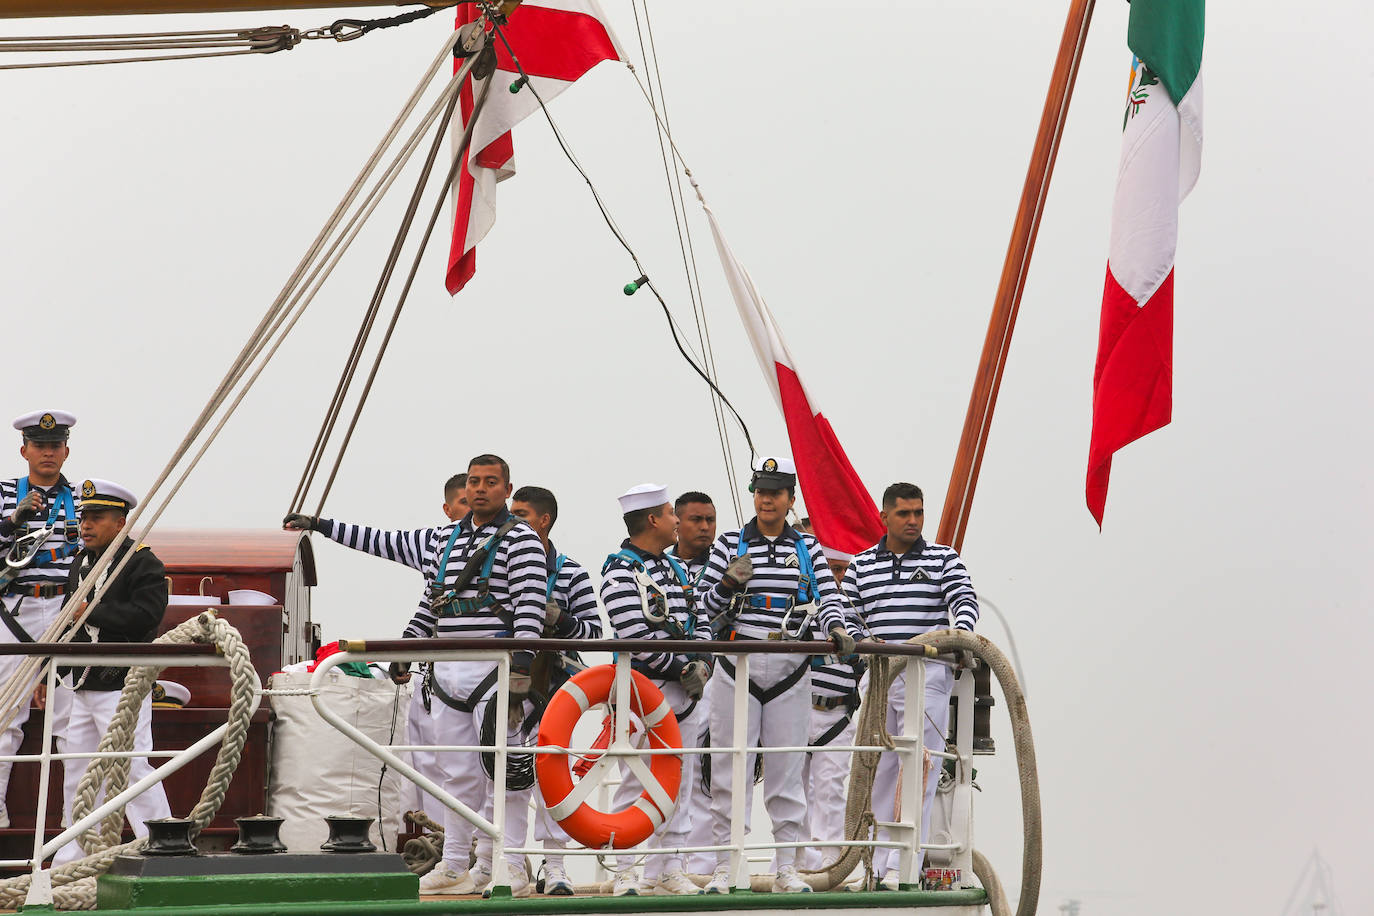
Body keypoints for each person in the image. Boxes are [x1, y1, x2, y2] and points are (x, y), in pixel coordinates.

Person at [286, 454, 546, 897]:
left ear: (506, 488)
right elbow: (384, 545)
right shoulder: (440, 540)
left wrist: (520, 674)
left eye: (490, 482)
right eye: (473, 482)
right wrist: (320, 524)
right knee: (457, 773)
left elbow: (530, 607)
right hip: (446, 671)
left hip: (495, 668)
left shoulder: (522, 542)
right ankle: (456, 864)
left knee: (506, 771)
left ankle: (507, 867)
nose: (480, 489)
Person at [694, 457, 852, 894]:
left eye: (776, 492)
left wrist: (836, 628)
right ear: (754, 495)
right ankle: (728, 868)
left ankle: (787, 868)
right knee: (729, 770)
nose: (767, 499)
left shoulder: (808, 548)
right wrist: (727, 584)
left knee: (785, 773)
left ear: (789, 499)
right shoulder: (729, 543)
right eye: (761, 491)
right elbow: (702, 609)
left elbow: (826, 597)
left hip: (789, 668)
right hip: (736, 665)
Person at [842, 482, 978, 890]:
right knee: (880, 770)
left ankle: (907, 866)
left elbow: (965, 604)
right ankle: (878, 866)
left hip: (927, 676)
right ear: (884, 517)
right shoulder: (862, 565)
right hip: (882, 676)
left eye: (919, 513)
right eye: (904, 514)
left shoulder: (943, 560)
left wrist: (958, 638)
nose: (914, 521)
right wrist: (865, 645)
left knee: (920, 770)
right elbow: (846, 615)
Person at [40, 479, 171, 864]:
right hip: (80, 683)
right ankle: (73, 855)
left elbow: (147, 619)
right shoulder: (82, 562)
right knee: (77, 770)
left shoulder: (142, 563)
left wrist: (90, 611)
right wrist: (52, 672)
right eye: (84, 517)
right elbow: (67, 623)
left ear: (121, 522)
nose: (86, 525)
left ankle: (161, 843)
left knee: (129, 765)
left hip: (121, 684)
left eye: (96, 517)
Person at [600, 484, 711, 896]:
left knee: (679, 780)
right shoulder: (618, 571)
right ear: (652, 520)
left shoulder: (676, 569)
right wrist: (682, 666)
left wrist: (703, 664)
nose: (677, 521)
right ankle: (625, 870)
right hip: (641, 690)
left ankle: (667, 869)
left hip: (685, 694)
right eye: (670, 513)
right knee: (634, 779)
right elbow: (632, 635)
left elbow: (698, 622)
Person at [508, 485, 602, 897]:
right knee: (508, 775)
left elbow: (595, 635)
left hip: (553, 688)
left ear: (544, 520)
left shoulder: (571, 571)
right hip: (509, 685)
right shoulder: (502, 563)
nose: (512, 522)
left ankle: (556, 864)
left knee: (552, 777)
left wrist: (561, 621)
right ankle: (509, 864)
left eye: (522, 514)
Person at [0, 410, 81, 827]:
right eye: (40, 446)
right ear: (24, 450)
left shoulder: (85, 499)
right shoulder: (3, 493)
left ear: (66, 451)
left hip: (66, 610)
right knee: (6, 712)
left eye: (54, 446)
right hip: (16, 608)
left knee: (71, 716)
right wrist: (13, 520)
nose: (47, 452)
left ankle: (74, 816)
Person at [666, 491, 720, 875]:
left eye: (710, 520)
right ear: (677, 523)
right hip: (669, 678)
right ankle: (668, 862)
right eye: (696, 520)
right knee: (671, 769)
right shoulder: (658, 565)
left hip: (718, 678)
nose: (705, 528)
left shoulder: (726, 564)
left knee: (710, 773)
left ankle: (701, 864)